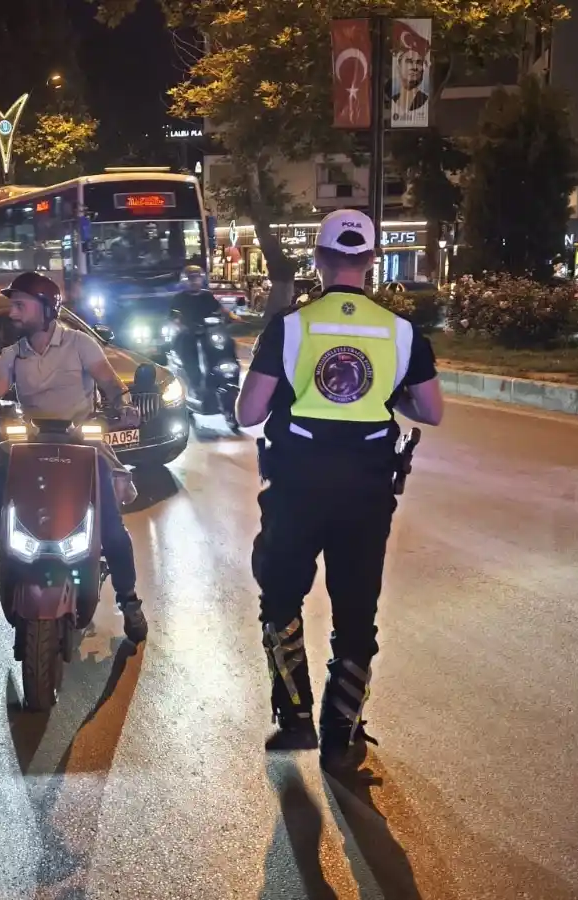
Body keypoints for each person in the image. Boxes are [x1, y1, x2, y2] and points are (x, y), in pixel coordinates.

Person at [236, 209, 445, 771]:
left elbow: (248, 412)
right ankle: (341, 735)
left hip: (297, 486)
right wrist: (382, 397)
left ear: (319, 258)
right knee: (357, 612)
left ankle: (297, 716)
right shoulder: (401, 334)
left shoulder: (290, 327)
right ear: (371, 261)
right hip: (367, 491)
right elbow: (431, 411)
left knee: (280, 598)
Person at [0, 271, 149, 643]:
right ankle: (4, 539)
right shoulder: (12, 355)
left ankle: (129, 600)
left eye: (20, 305)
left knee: (112, 528)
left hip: (81, 442)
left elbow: (109, 383)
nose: (13, 313)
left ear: (47, 309)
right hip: (31, 443)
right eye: (13, 305)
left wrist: (124, 405)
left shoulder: (80, 344)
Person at [169, 264, 226, 396]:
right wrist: (180, 323)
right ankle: (194, 384)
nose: (194, 281)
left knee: (226, 344)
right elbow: (174, 316)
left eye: (197, 278)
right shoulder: (179, 298)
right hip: (188, 335)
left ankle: (224, 378)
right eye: (191, 278)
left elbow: (219, 311)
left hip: (208, 333)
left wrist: (229, 317)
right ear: (185, 280)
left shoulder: (208, 296)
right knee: (188, 353)